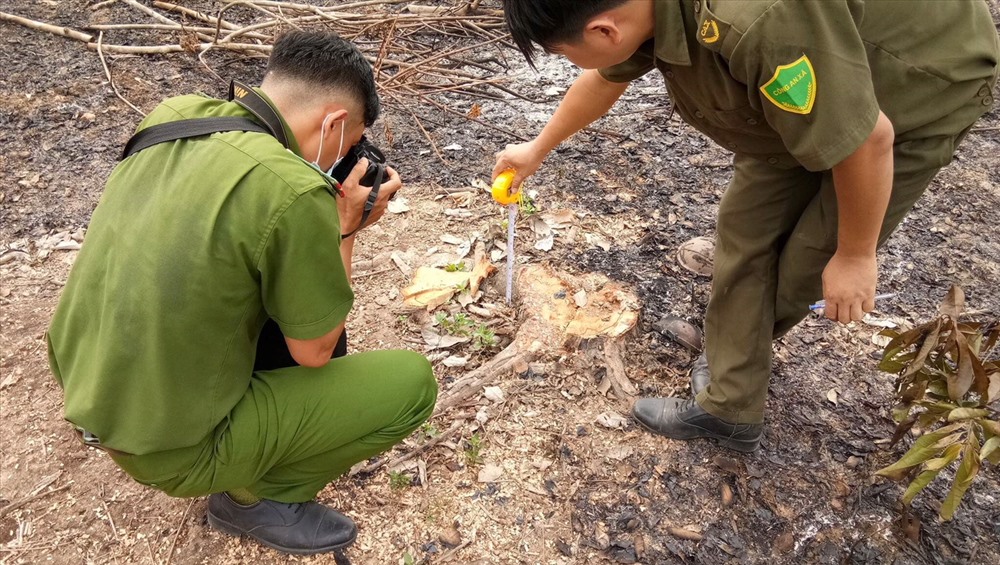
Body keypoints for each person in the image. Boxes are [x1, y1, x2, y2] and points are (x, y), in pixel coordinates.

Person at [495, 0, 999, 452]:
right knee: (745, 232)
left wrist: (855, 255)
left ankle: (734, 369)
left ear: (606, 31)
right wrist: (537, 148)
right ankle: (730, 394)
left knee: (806, 263)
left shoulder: (754, 20)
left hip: (918, 81)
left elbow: (868, 139)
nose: (568, 63)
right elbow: (606, 78)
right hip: (806, 93)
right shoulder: (644, 12)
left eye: (564, 53)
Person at [46, 30, 437, 555]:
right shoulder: (293, 190)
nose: (345, 159)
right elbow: (318, 351)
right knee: (411, 383)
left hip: (92, 391)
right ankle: (254, 500)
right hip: (169, 448)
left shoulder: (173, 117)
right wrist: (341, 228)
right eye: (348, 145)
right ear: (333, 123)